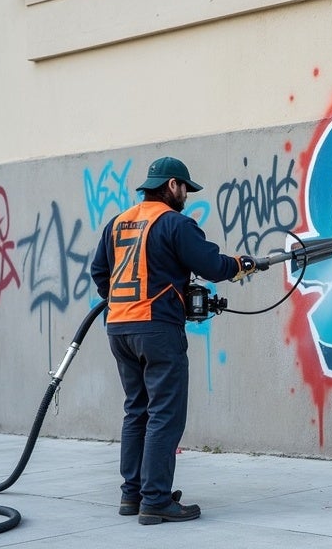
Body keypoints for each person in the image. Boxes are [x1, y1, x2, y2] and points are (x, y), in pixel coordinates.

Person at [90, 156, 255, 525]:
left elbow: (100, 272)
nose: (186, 194)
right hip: (157, 330)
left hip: (119, 328)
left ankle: (132, 495)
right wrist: (240, 264)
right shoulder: (175, 224)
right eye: (184, 187)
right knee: (165, 413)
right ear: (171, 186)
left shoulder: (117, 223)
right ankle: (156, 500)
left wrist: (122, 300)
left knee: (137, 410)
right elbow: (213, 265)